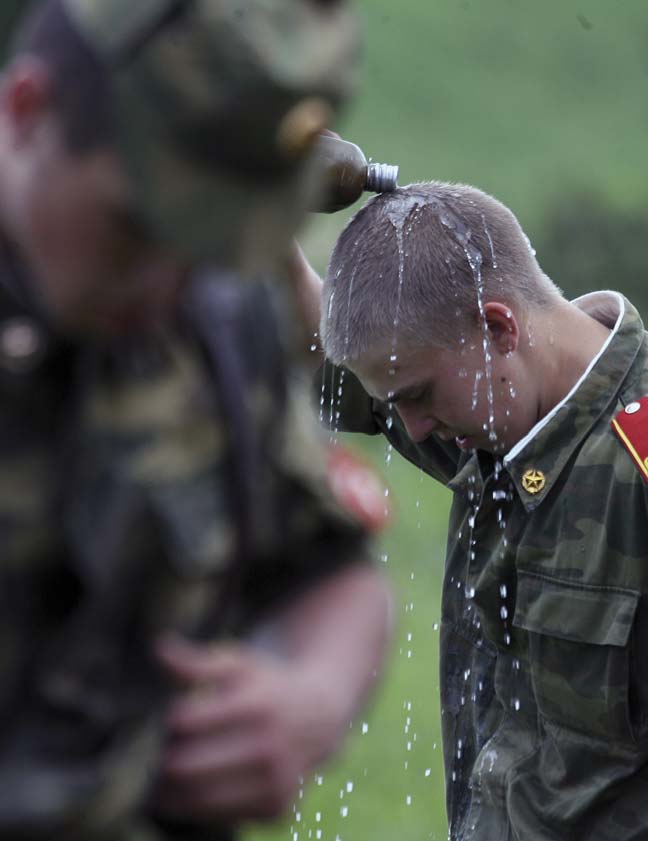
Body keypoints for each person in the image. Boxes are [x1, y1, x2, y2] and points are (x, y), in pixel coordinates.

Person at [0, 0, 392, 839]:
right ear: (25, 111)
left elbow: (330, 571)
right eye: (134, 230)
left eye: (202, 239)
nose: (166, 284)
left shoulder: (215, 307)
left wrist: (311, 696)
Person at [305, 180, 648, 841]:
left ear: (500, 326)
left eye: (417, 396)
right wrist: (260, 181)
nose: (412, 429)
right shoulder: (500, 421)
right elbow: (303, 340)